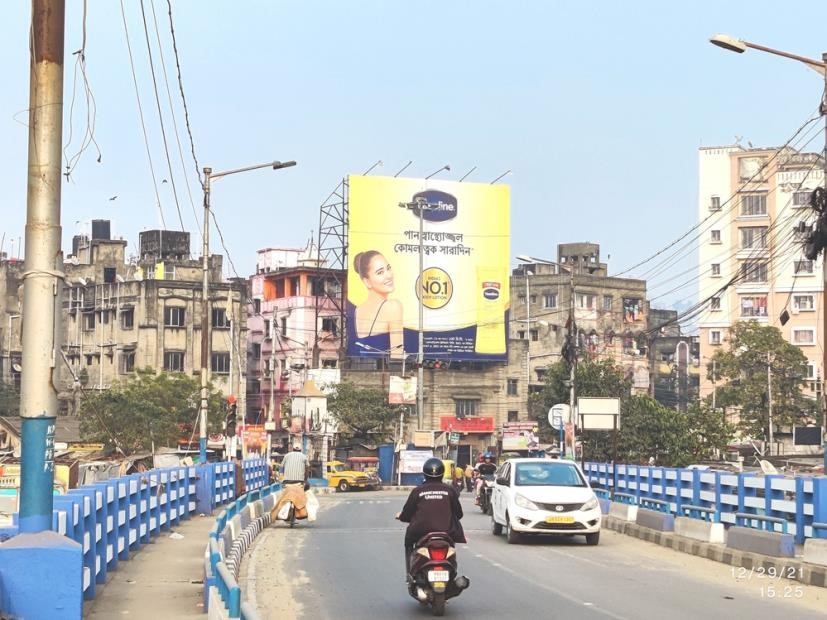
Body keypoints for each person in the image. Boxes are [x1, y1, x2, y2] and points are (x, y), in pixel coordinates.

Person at [396, 458, 466, 578]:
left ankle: (410, 574)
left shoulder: (418, 491)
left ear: (424, 474)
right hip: (446, 532)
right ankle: (452, 571)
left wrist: (401, 516)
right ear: (442, 474)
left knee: (408, 542)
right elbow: (459, 514)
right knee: (451, 546)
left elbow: (407, 514)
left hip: (421, 531)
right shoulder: (450, 490)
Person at [351, 250, 403, 358]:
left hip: (361, 369)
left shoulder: (356, 311)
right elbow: (397, 355)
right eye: (380, 272)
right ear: (367, 282)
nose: (389, 275)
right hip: (385, 371)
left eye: (388, 268)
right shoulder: (393, 307)